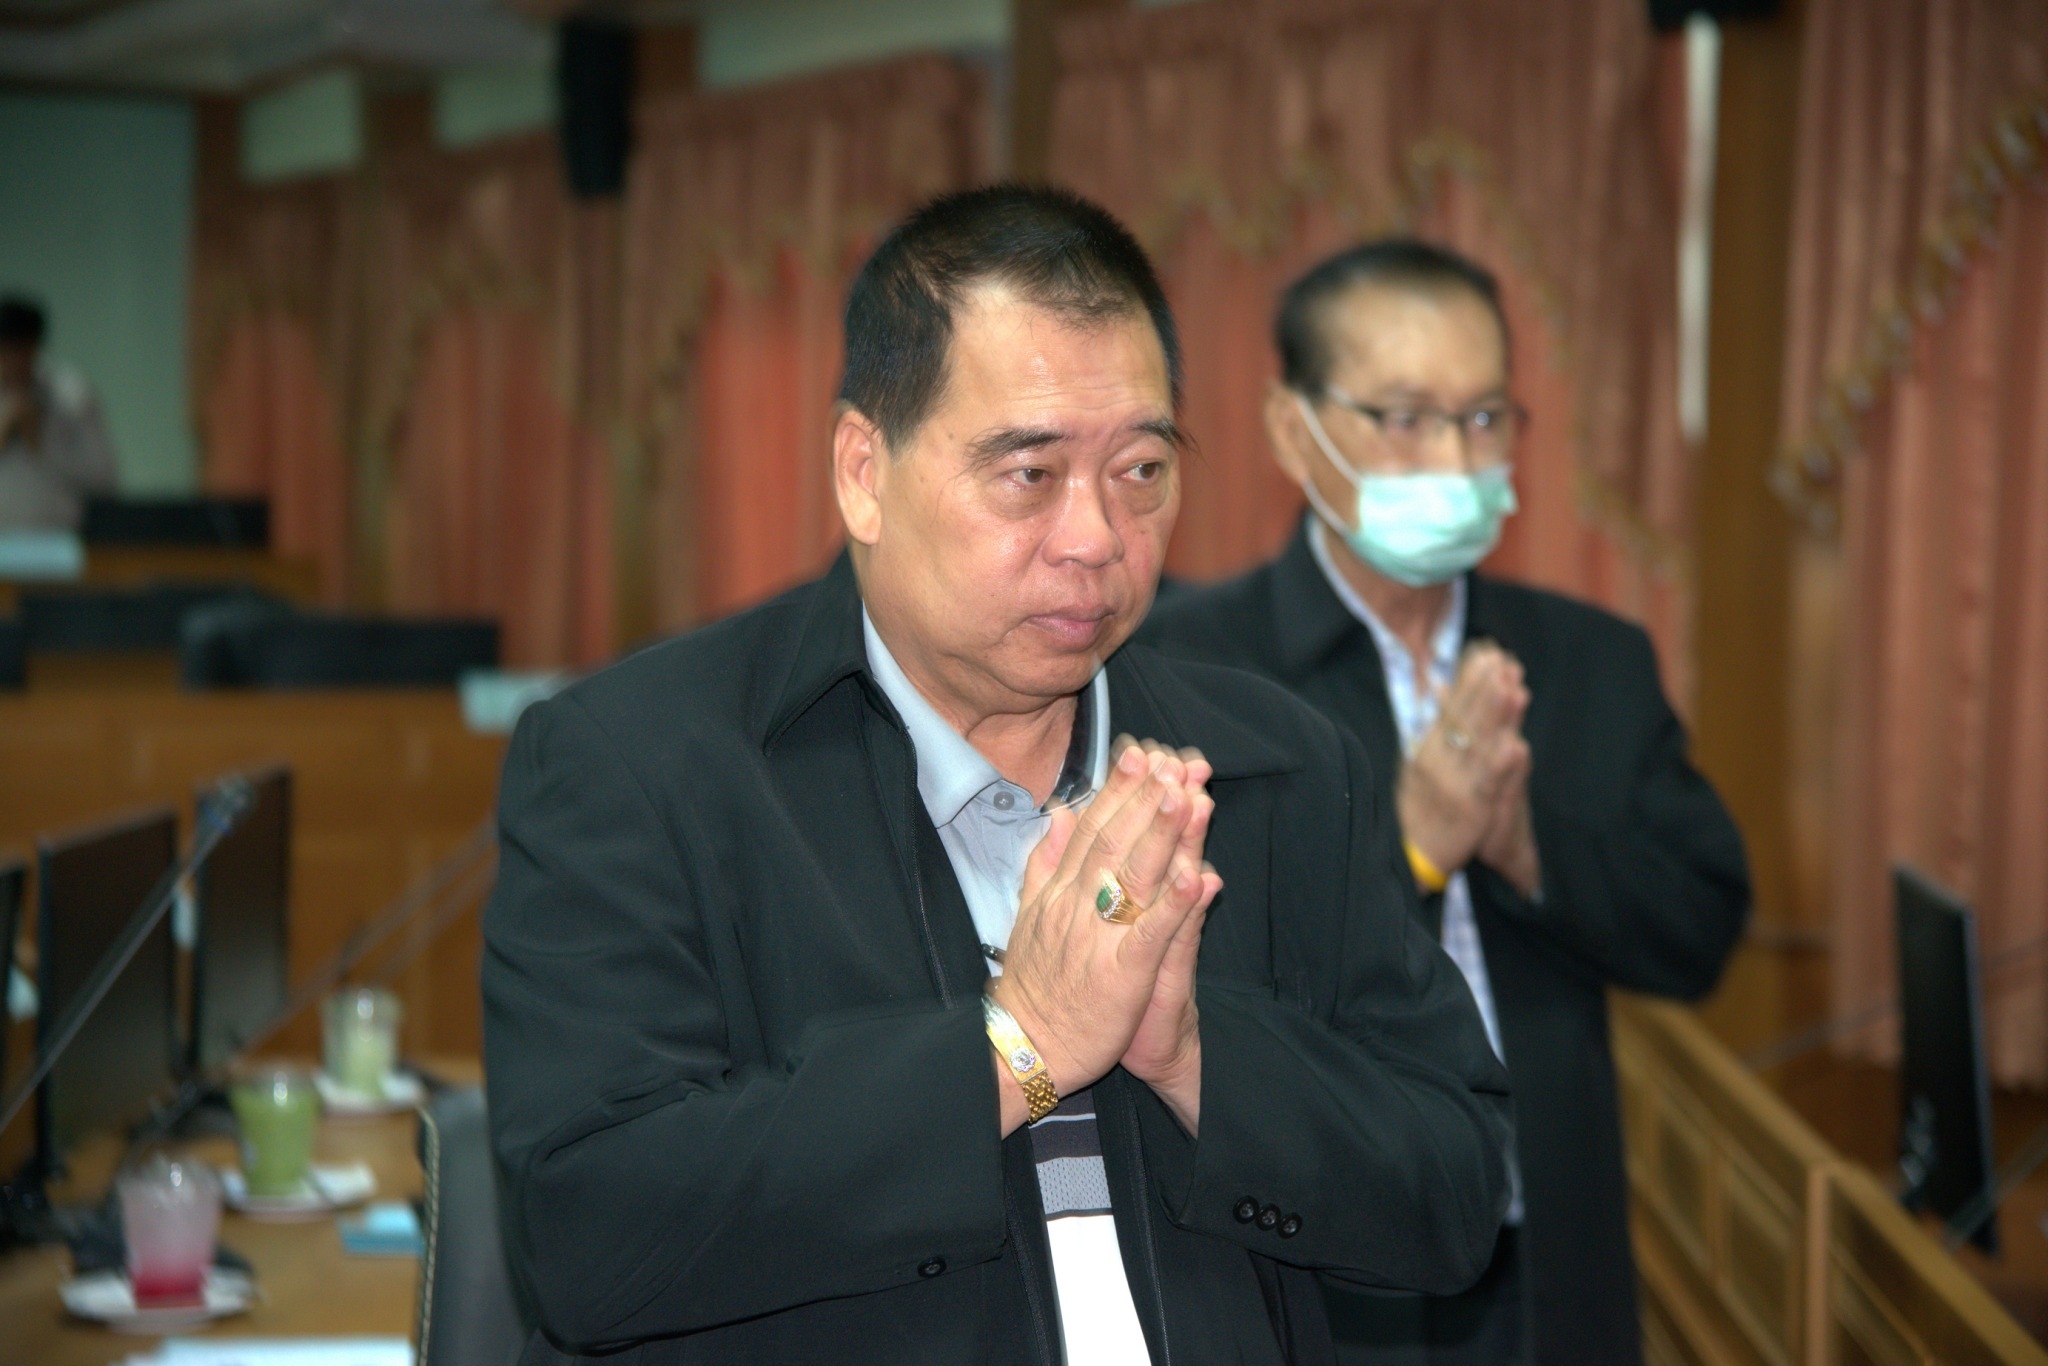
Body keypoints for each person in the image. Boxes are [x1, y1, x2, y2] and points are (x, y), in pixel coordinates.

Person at [483, 190, 1514, 1366]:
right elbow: (586, 1232)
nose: (1096, 536)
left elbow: (1455, 1192)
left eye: (1139, 469)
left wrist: (1196, 1058)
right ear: (863, 471)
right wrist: (1015, 1046)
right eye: (1029, 474)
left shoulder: (1273, 767)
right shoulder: (640, 765)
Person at [1142, 240, 1751, 1366]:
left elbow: (1702, 925)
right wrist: (1413, 853)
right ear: (1293, 430)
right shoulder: (1186, 672)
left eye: (1482, 419)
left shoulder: (1588, 660)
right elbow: (1193, 991)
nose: (1456, 460)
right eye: (1406, 418)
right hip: (1311, 1263)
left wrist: (1525, 850)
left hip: (1548, 1251)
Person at [0, 296, 118, 533]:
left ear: (35, 347)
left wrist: (41, 443)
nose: (13, 362)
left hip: (58, 539)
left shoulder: (71, 395)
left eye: (21, 350)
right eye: (5, 351)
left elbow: (105, 478)